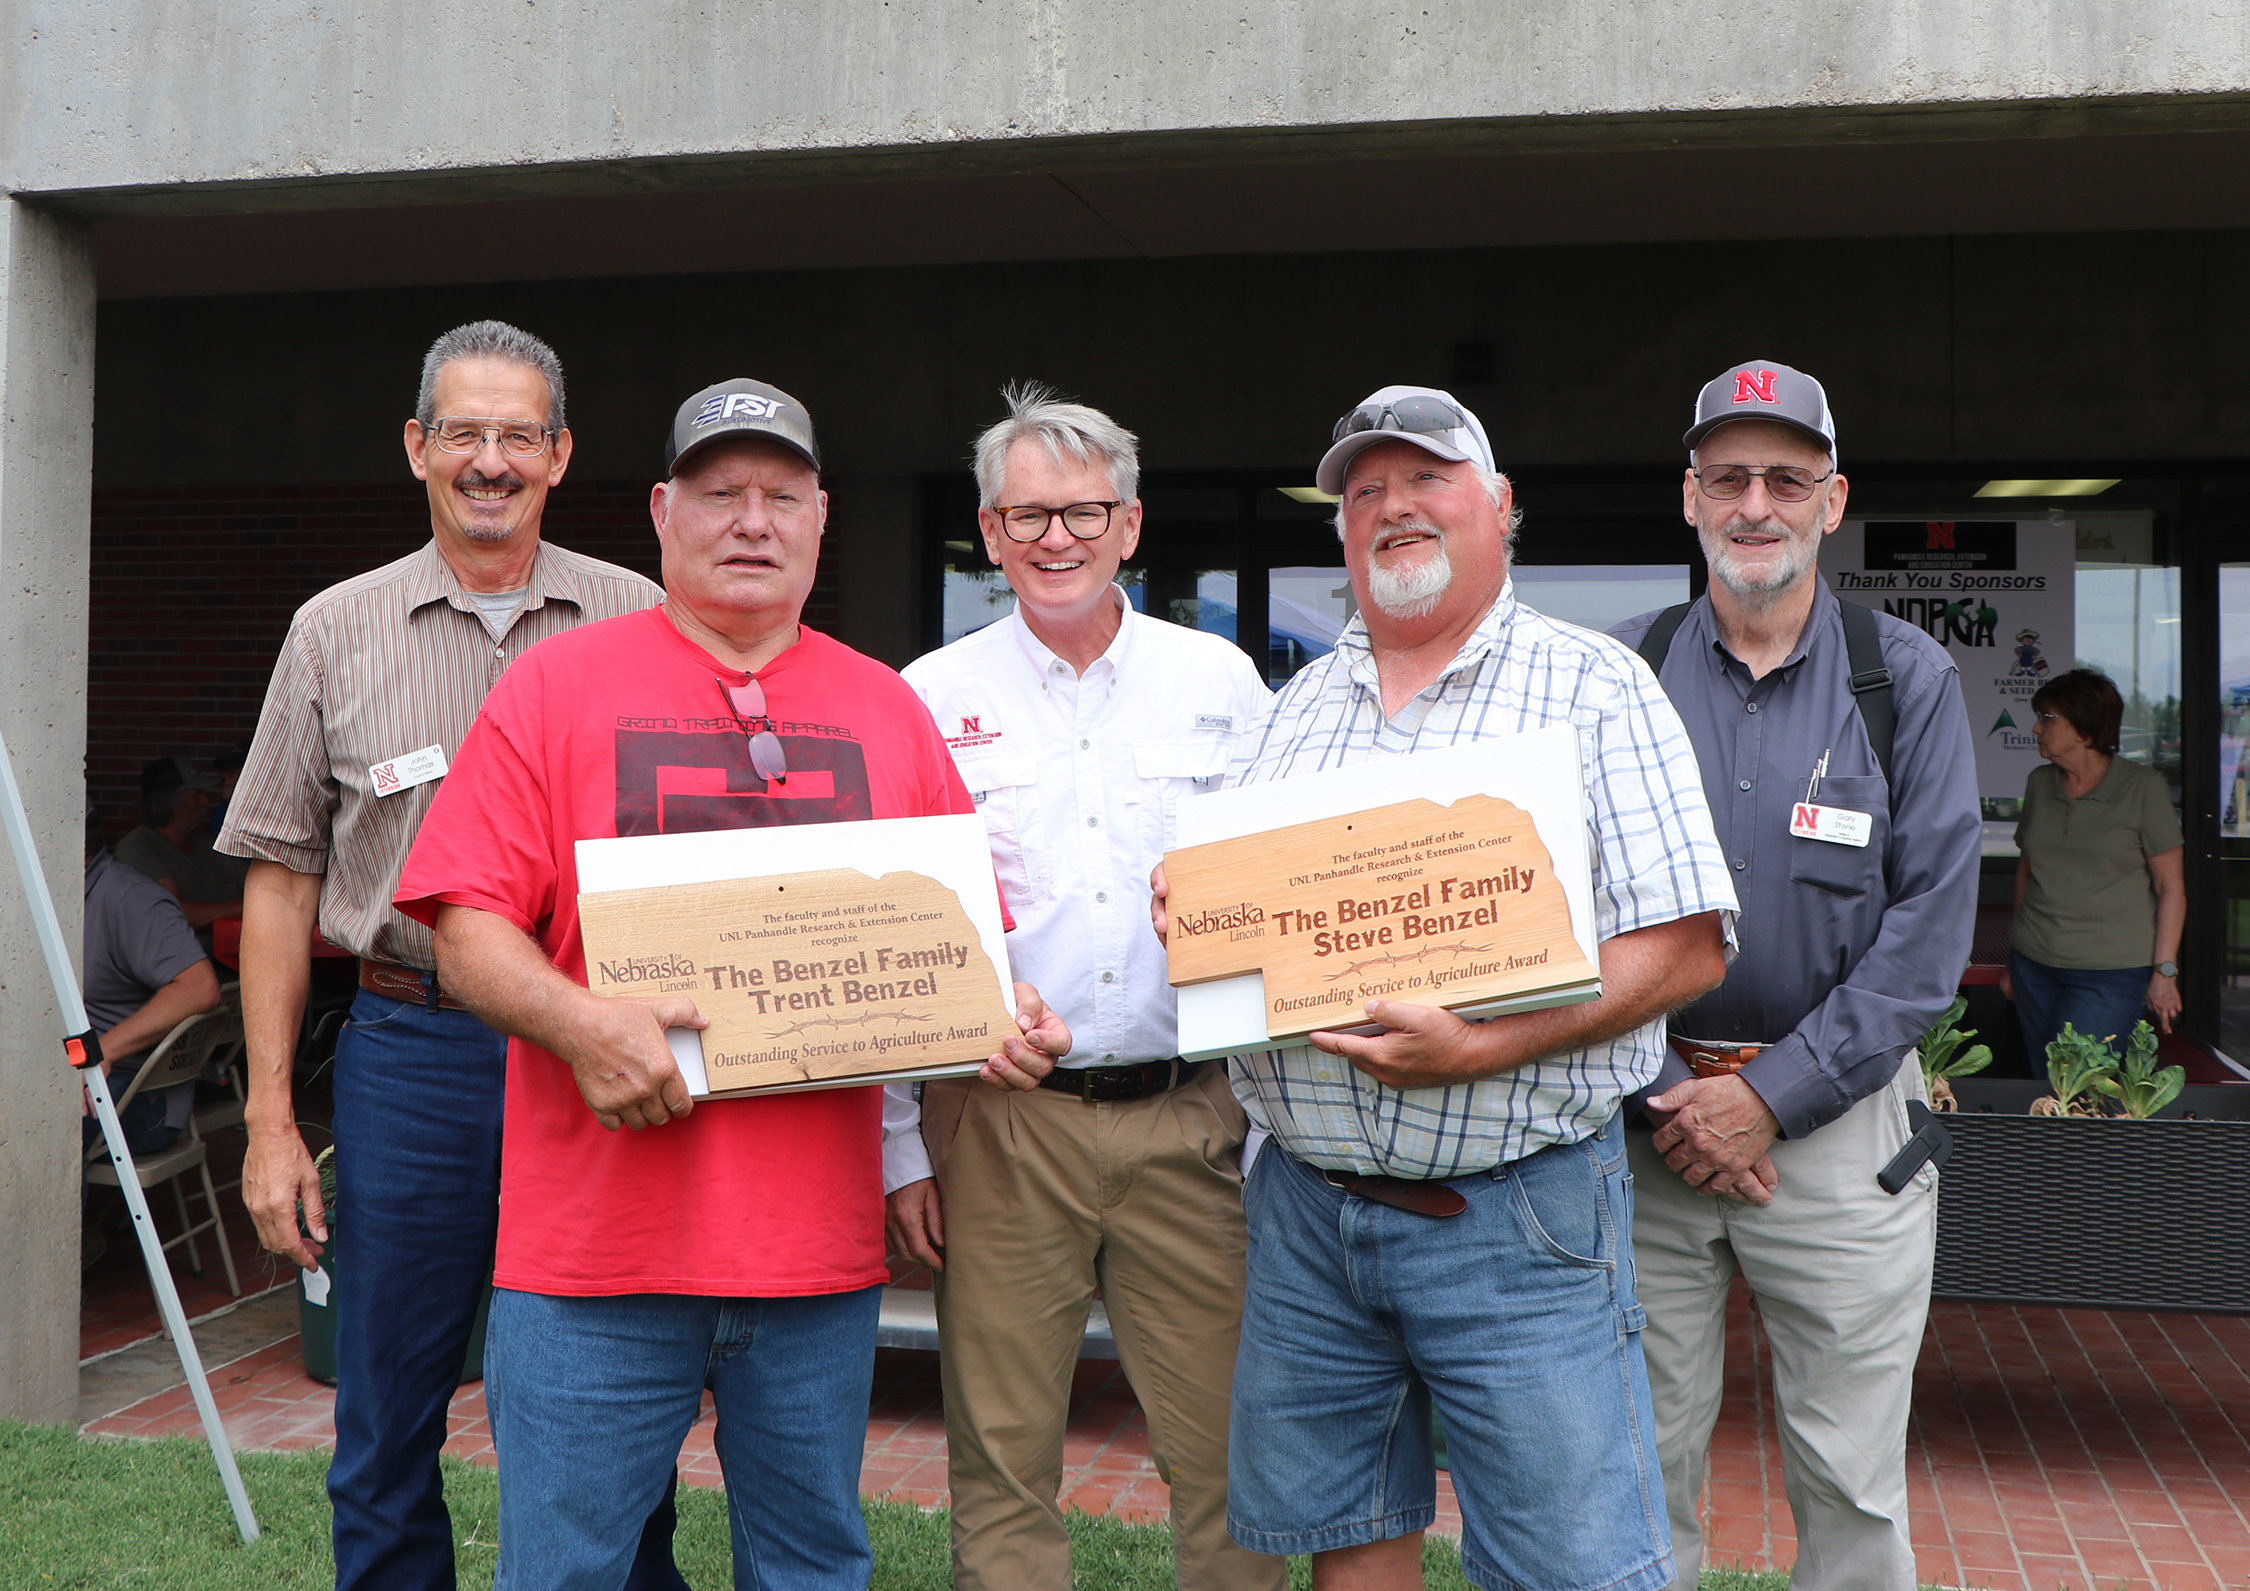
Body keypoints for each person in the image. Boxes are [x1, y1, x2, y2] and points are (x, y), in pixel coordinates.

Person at [393, 376, 1074, 1591]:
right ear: (662, 511)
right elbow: (465, 927)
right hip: (594, 1257)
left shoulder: (887, 708)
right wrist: (579, 1019)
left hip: (813, 1259)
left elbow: (959, 954)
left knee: (811, 1566)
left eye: (780, 494)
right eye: (720, 494)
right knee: (563, 1572)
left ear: (823, 518)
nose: (752, 520)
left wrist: (1000, 1013)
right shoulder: (553, 690)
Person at [1154, 384, 1737, 1591]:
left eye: (1426, 479)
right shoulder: (1298, 703)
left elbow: (1687, 945)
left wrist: (1481, 1048)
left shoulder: (1597, 687)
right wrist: (1204, 917)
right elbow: (1276, 929)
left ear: (1501, 506)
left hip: (1517, 1213)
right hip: (1310, 1209)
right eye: (1364, 490)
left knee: (1573, 1565)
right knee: (1349, 1534)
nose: (1392, 507)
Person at [217, 321, 687, 1591]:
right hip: (413, 1050)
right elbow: (278, 875)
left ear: (561, 453)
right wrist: (268, 1117)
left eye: (518, 435)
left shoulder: (641, 616)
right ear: (419, 446)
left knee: (615, 1393)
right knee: (387, 1411)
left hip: (593, 1046)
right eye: (464, 433)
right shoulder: (333, 630)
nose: (491, 460)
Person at [887, 385, 1281, 1591]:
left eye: (1083, 512)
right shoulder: (926, 696)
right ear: (990, 533)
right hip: (1004, 1126)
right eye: (1027, 517)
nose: (1055, 538)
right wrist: (903, 1142)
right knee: (1002, 1459)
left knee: (1228, 1460)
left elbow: (1280, 890)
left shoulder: (1219, 683)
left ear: (1130, 525)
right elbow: (894, 924)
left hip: (1194, 1121)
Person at [1613, 359, 1981, 1591]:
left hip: (1838, 1141)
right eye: (1729, 478)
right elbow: (1564, 908)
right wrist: (1671, 1088)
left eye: (1786, 477)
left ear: (1832, 501)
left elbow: (1928, 934)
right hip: (1644, 1134)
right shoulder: (1626, 676)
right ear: (1690, 497)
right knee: (1635, 1467)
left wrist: (1767, 1095)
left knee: (1851, 1481)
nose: (1755, 503)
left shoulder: (1906, 679)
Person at [2001, 667, 2184, 1057]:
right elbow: (2027, 871)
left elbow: (2171, 888)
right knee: (2046, 1087)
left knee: (2078, 1085)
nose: (2036, 728)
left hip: (2109, 972)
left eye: (2046, 718)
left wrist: (2164, 971)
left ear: (2085, 729)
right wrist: (2014, 958)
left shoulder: (2142, 788)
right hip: (2033, 964)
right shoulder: (2039, 783)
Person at [83, 799, 224, 1163]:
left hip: (142, 1099)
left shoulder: (129, 897)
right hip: (73, 1080)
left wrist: (102, 1050)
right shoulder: (50, 895)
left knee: (43, 1123)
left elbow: (200, 987)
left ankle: (56, 1223)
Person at [116, 754, 248, 936]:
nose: (205, 801)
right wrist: (246, 905)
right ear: (170, 801)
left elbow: (257, 888)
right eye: (196, 795)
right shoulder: (137, 847)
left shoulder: (207, 842)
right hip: (184, 961)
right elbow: (176, 913)